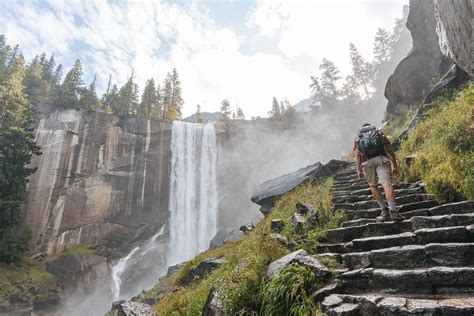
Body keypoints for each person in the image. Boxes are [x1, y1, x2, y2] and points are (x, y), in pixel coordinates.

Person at [354, 123, 404, 222]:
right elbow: (389, 149)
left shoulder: (358, 138)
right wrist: (395, 165)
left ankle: (384, 210)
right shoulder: (378, 133)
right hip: (381, 159)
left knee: (373, 185)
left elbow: (357, 156)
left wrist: (359, 170)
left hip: (367, 162)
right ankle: (393, 211)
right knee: (387, 184)